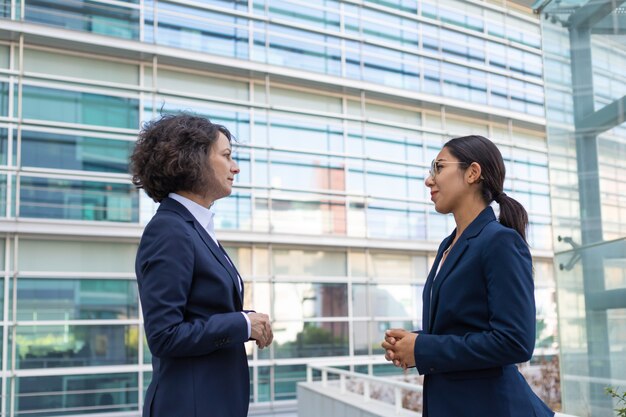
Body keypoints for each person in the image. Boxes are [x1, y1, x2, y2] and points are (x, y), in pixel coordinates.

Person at [381, 135, 554, 417]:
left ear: (473, 172)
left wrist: (423, 348)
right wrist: (411, 345)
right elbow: (463, 329)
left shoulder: (500, 241)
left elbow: (515, 341)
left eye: (438, 167)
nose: (429, 180)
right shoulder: (447, 246)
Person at [131, 114, 273, 417]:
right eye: (226, 156)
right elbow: (165, 334)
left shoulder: (194, 227)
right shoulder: (169, 230)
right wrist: (243, 324)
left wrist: (246, 320)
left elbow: (201, 312)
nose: (236, 167)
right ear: (193, 160)